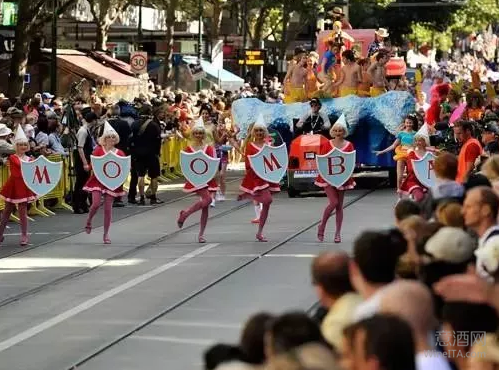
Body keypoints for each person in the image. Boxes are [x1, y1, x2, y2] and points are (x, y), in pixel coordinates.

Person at [83, 122, 127, 244]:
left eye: (113, 137)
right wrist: (88, 167)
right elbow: (94, 165)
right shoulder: (98, 150)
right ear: (104, 138)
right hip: (97, 181)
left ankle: (106, 234)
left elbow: (123, 168)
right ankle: (89, 220)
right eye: (109, 136)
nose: (111, 139)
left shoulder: (120, 153)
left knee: (108, 209)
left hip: (111, 183)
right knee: (96, 204)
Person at [315, 116, 355, 243]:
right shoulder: (327, 144)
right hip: (327, 177)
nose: (338, 133)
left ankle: (337, 233)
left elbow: (350, 162)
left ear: (344, 132)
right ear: (333, 131)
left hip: (342, 177)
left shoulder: (349, 145)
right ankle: (322, 226)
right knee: (334, 202)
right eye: (336, 130)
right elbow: (321, 160)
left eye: (341, 131)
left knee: (339, 206)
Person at [238, 120, 279, 242]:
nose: (259, 132)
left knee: (267, 204)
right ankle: (251, 194)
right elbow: (248, 164)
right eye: (256, 130)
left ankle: (260, 232)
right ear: (253, 133)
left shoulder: (269, 145)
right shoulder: (250, 146)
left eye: (261, 130)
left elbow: (275, 160)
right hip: (257, 178)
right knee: (268, 200)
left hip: (268, 177)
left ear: (265, 132)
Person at [177, 121, 218, 243]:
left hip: (208, 179)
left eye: (201, 133)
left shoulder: (209, 148)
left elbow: (212, 163)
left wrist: (213, 176)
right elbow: (185, 165)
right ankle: (186, 213)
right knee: (208, 200)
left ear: (204, 135)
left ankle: (201, 234)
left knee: (205, 207)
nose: (199, 135)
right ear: (193, 134)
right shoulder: (188, 149)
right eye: (196, 133)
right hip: (195, 179)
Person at [0, 127, 37, 246]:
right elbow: (20, 165)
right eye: (20, 144)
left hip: (23, 187)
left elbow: (32, 170)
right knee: (7, 211)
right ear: (16, 146)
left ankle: (24, 235)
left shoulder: (29, 158)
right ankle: (0, 233)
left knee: (22, 212)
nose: (23, 147)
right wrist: (32, 161)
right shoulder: (13, 157)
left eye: (25, 144)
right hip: (13, 186)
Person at [375, 114, 418, 195]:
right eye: (407, 122)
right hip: (401, 154)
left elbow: (419, 145)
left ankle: (412, 192)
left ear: (413, 123)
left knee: (412, 175)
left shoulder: (416, 134)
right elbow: (394, 145)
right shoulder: (401, 134)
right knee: (399, 176)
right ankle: (399, 193)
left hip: (411, 155)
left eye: (410, 123)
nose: (408, 124)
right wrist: (381, 152)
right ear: (404, 123)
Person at [399, 124, 431, 202]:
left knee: (430, 199)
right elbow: (411, 168)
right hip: (413, 180)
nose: (418, 142)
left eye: (420, 140)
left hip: (427, 181)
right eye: (416, 140)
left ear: (425, 142)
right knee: (420, 197)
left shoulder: (429, 154)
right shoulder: (412, 153)